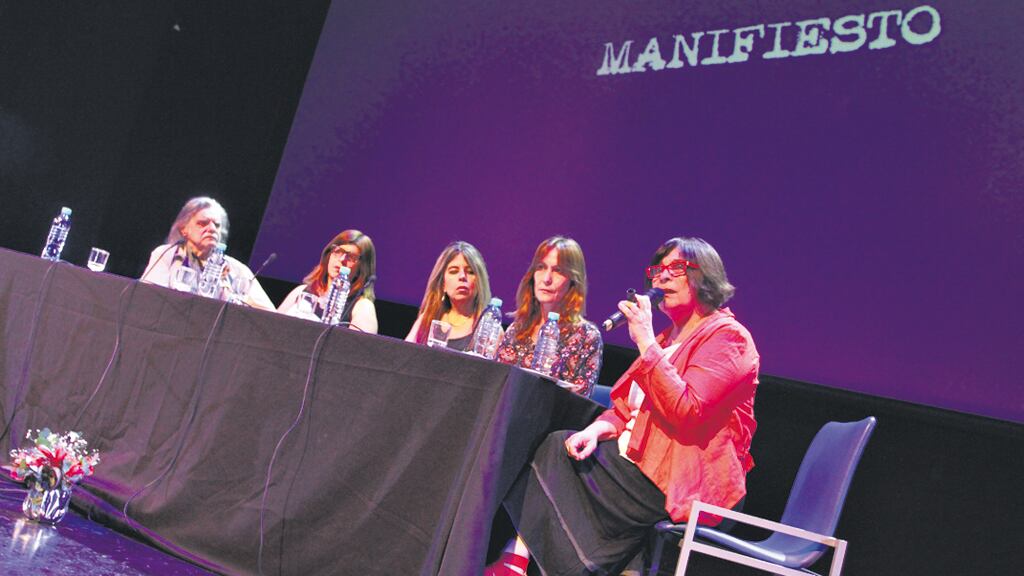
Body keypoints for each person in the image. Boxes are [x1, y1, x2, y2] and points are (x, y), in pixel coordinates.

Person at [487, 237, 759, 576]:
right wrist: (596, 429)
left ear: (705, 275)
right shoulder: (666, 340)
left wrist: (645, 340)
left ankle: (522, 562)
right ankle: (569, 563)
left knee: (552, 452)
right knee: (558, 448)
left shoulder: (728, 337)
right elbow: (625, 408)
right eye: (657, 271)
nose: (661, 278)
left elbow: (687, 410)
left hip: (683, 479)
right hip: (637, 463)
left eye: (676, 268)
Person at [495, 236, 602, 397]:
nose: (546, 279)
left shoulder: (587, 337)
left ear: (573, 281)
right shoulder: (517, 329)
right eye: (541, 267)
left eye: (558, 270)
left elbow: (578, 403)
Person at [140, 196, 275, 310]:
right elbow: (148, 297)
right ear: (183, 230)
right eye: (203, 223)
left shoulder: (238, 270)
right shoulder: (167, 254)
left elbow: (269, 315)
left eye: (217, 225)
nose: (212, 229)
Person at [277, 229, 378, 333]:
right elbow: (273, 327)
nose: (342, 259)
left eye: (351, 257)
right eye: (338, 251)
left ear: (362, 268)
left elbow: (358, 343)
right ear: (328, 254)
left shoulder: (363, 307)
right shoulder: (301, 291)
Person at [405, 241, 493, 352]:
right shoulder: (427, 318)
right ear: (443, 284)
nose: (462, 276)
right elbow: (404, 354)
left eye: (470, 272)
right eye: (454, 271)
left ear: (479, 282)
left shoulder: (490, 328)